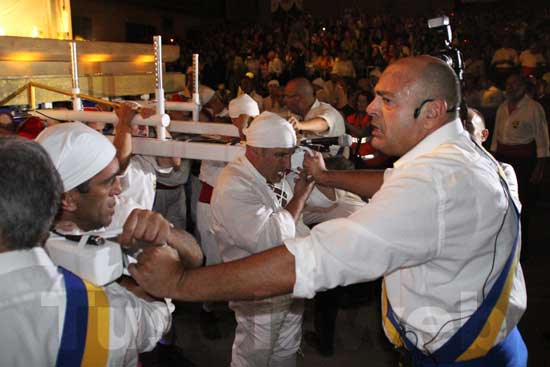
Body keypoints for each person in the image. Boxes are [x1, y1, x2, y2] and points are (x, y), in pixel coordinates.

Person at [130, 56, 528, 366]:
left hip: (464, 357)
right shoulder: (460, 156)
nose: (370, 108)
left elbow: (314, 259)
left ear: (432, 111)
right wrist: (328, 178)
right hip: (479, 341)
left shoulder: (433, 185)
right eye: (375, 96)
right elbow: (392, 183)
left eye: (387, 100)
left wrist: (182, 283)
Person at [35, 121, 203, 366]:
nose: (118, 188)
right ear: (68, 200)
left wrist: (167, 233)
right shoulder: (32, 251)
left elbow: (196, 258)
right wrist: (147, 290)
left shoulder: (123, 211)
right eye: (107, 182)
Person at [211, 111, 314, 367]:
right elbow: (268, 239)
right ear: (255, 151)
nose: (287, 164)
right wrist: (299, 197)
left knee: (287, 350)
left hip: (288, 282)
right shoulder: (234, 184)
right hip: (257, 292)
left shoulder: (268, 174)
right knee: (253, 358)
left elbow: (298, 218)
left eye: (290, 154)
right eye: (280, 155)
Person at [490, 73, 548, 253]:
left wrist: (540, 166)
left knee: (523, 203)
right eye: (508, 84)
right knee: (503, 202)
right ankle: (505, 244)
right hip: (503, 158)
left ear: (523, 87)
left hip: (524, 162)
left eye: (515, 84)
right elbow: (496, 136)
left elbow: (542, 139)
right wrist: (491, 158)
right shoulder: (502, 107)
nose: (511, 88)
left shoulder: (533, 107)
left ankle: (523, 247)